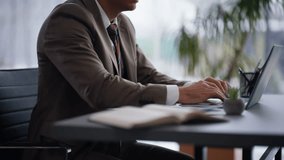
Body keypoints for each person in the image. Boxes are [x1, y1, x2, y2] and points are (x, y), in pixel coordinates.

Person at [27, 0, 228, 160]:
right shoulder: (67, 20)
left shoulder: (122, 25)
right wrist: (182, 94)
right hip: (69, 150)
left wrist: (192, 87)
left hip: (111, 143)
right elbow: (100, 88)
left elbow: (148, 75)